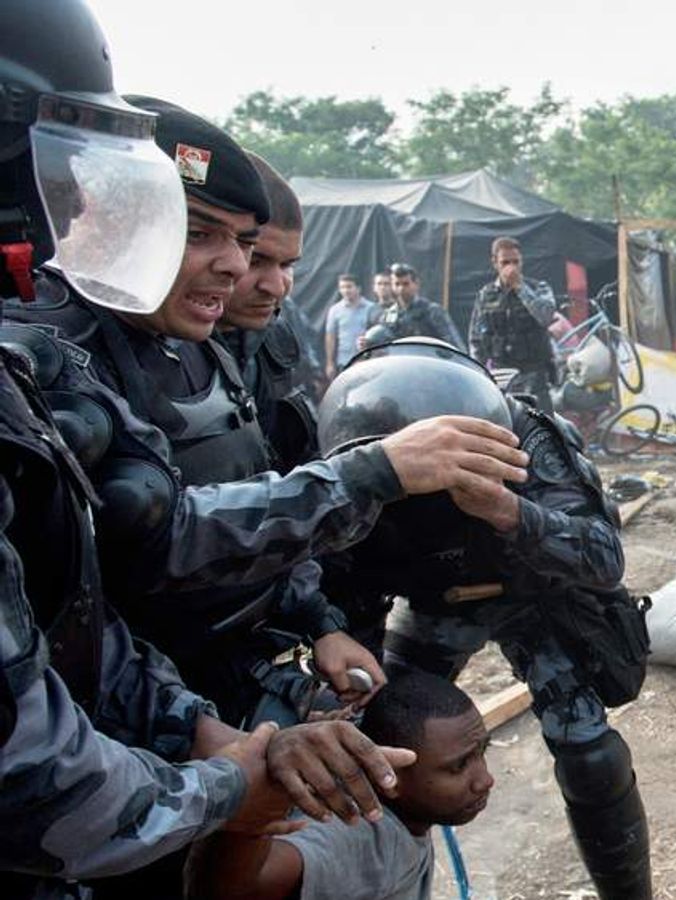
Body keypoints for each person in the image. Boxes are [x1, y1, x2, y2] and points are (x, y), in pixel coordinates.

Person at [0, 4, 474, 895]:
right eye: (200, 233)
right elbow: (156, 540)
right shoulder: (52, 354)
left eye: (247, 246)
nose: (240, 270)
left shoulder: (203, 351)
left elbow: (87, 613)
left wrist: (289, 653)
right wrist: (373, 472)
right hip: (104, 772)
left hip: (177, 720)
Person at [317, 339, 652, 899]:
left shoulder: (523, 437)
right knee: (381, 743)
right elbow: (347, 583)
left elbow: (603, 558)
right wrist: (355, 677)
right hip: (435, 601)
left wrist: (509, 511)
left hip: (536, 595)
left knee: (591, 755)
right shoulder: (356, 460)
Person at [187, 671, 494, 900]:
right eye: (458, 766)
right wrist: (252, 816)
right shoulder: (358, 834)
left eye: (482, 750)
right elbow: (240, 890)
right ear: (389, 774)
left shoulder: (408, 814)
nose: (486, 779)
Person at [216, 151, 319, 471]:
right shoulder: (156, 351)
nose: (276, 287)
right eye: (255, 260)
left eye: (287, 265)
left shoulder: (276, 336)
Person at [467, 236, 558, 410]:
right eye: (505, 262)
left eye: (516, 262)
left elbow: (546, 316)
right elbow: (476, 338)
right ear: (495, 263)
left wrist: (520, 287)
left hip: (534, 374)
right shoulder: (486, 294)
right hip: (502, 375)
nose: (511, 267)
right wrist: (478, 374)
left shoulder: (538, 288)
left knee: (541, 423)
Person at [380, 263, 464, 349]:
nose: (401, 289)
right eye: (397, 284)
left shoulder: (432, 312)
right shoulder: (389, 315)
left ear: (416, 284)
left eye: (406, 284)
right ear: (392, 286)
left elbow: (454, 345)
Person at [325, 273, 378, 374]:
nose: (346, 290)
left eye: (349, 287)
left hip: (367, 362)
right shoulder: (335, 310)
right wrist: (329, 363)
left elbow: (377, 335)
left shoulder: (371, 308)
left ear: (358, 288)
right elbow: (330, 337)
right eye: (342, 287)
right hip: (344, 362)